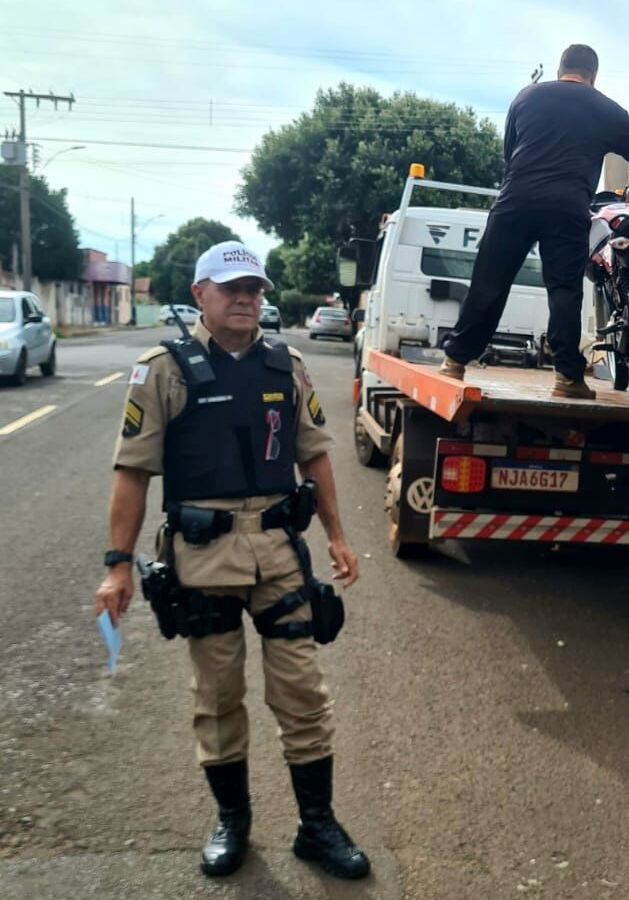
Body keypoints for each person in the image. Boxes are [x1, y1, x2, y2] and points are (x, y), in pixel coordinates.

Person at [93, 240, 370, 881]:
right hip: (202, 558)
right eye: (231, 289)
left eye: (254, 289)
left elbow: (314, 454)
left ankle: (317, 825)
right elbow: (132, 472)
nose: (246, 299)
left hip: (277, 552)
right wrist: (117, 565)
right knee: (217, 697)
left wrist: (336, 534)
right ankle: (233, 821)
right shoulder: (162, 371)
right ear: (200, 295)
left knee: (303, 693)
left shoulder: (286, 365)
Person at [441, 44, 629, 399]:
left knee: (489, 281)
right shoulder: (605, 108)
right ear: (593, 75)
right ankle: (567, 378)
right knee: (564, 290)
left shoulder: (526, 97)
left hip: (516, 201)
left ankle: (454, 359)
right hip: (567, 208)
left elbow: (509, 153)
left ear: (560, 70)